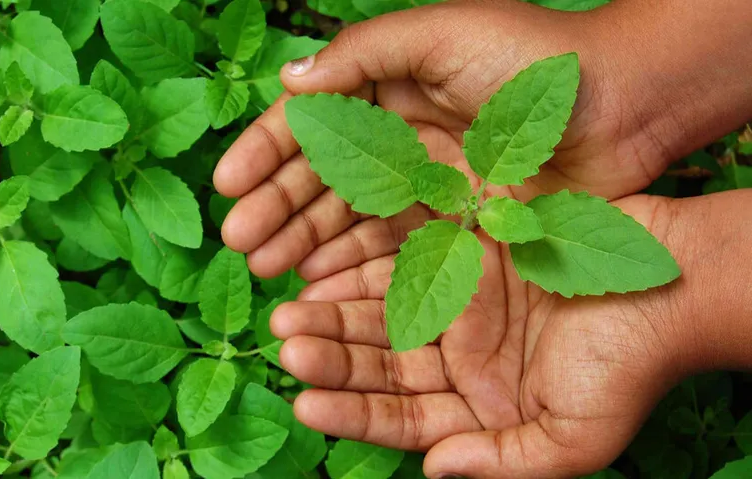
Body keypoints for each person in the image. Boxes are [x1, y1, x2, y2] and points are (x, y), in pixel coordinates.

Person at [214, 0, 752, 477]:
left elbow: (552, 96)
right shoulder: (454, 197)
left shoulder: (505, 215)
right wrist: (633, 82)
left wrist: (689, 296)